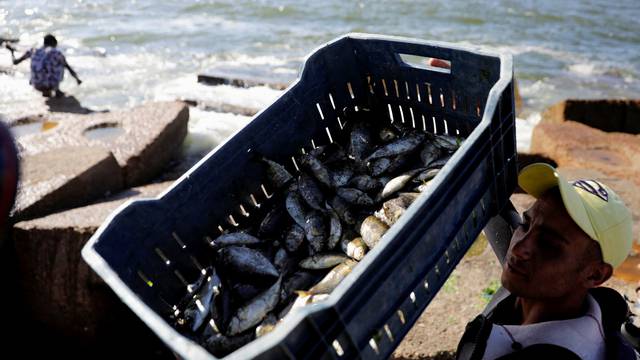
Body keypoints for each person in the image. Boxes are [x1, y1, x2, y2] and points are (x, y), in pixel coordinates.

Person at [456, 163, 637, 359]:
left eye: (548, 244)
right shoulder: (536, 288)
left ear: (595, 274)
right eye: (525, 225)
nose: (518, 249)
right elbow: (504, 224)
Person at [6, 34, 81, 97]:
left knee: (45, 64)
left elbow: (15, 62)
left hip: (36, 84)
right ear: (54, 43)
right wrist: (77, 79)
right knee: (60, 63)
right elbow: (68, 68)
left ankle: (46, 92)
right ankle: (57, 90)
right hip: (51, 85)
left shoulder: (33, 50)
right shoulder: (56, 53)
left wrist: (11, 52)